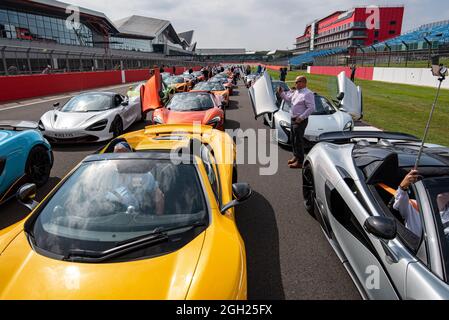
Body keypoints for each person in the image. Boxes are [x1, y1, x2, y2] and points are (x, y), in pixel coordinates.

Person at [393, 170, 449, 237]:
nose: (442, 191)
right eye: (437, 186)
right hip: (416, 245)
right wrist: (402, 187)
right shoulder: (413, 205)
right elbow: (399, 203)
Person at [278, 76, 315, 169]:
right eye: (295, 82)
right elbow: (288, 99)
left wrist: (302, 117)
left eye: (297, 82)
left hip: (300, 120)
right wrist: (281, 93)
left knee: (298, 141)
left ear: (303, 82)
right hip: (293, 119)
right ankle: (295, 156)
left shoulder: (308, 93)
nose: (295, 84)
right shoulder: (296, 92)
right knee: (293, 139)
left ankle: (300, 161)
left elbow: (311, 108)